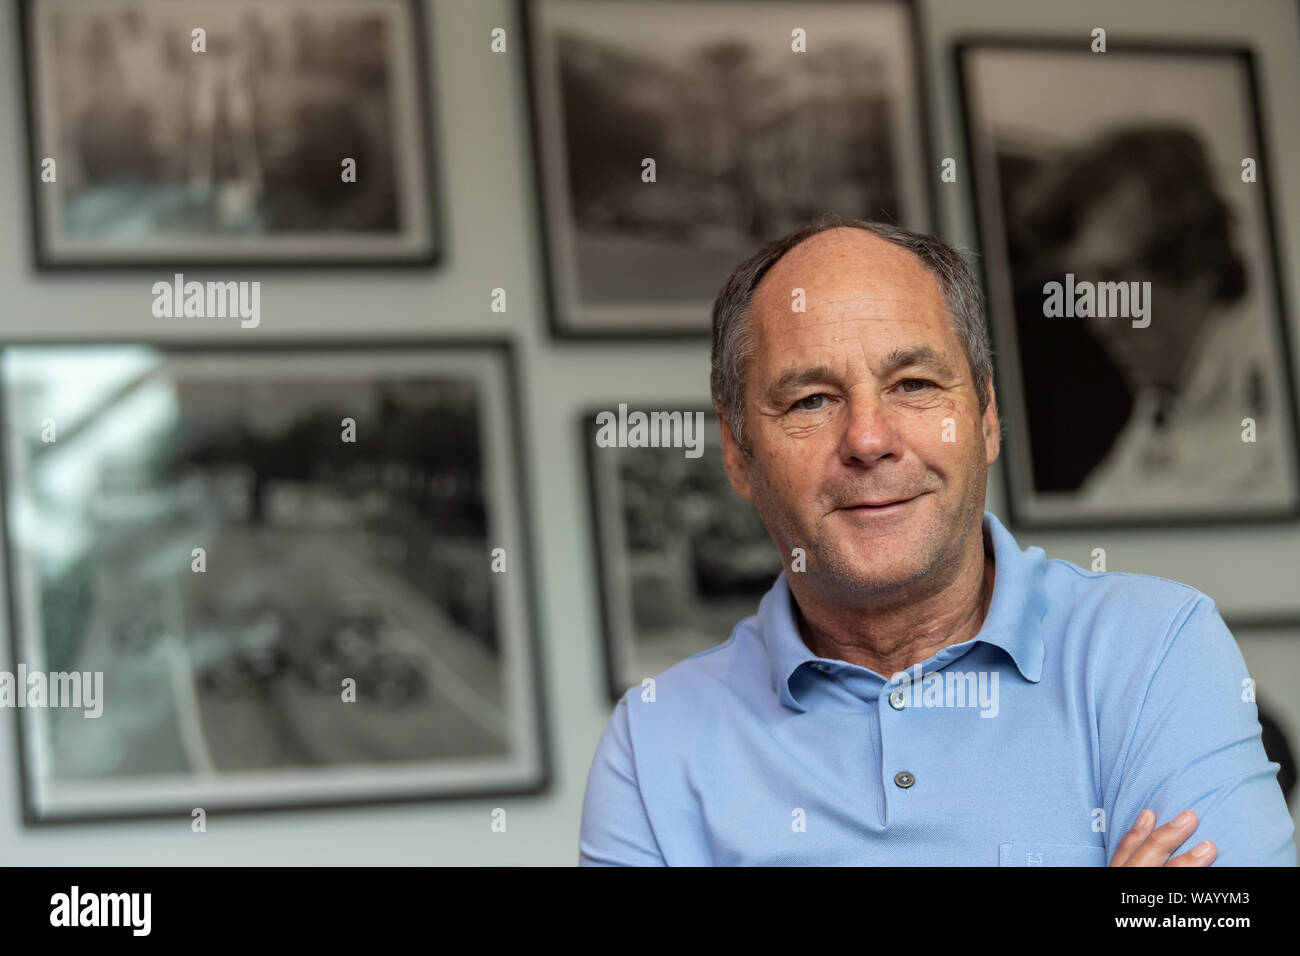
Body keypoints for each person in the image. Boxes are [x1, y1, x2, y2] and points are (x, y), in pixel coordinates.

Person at [578, 214, 1297, 866]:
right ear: (738, 454)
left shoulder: (1157, 649)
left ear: (985, 417)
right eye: (811, 400)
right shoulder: (653, 744)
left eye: (915, 384)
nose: (867, 439)